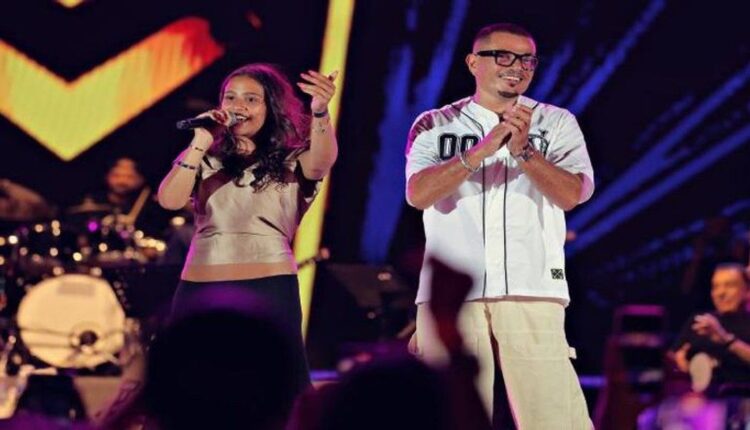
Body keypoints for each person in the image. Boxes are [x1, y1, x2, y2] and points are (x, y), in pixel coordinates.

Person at [404, 23, 594, 428]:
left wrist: (524, 151)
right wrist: (483, 149)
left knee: (554, 418)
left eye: (527, 60)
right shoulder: (434, 123)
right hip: (452, 294)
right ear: (474, 62)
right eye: (504, 56)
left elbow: (572, 194)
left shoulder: (557, 122)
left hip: (533, 287)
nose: (517, 66)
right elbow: (418, 194)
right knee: (449, 416)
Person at [157, 63, 338, 392]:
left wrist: (320, 112)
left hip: (267, 288)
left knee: (276, 388)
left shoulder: (293, 160)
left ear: (271, 108)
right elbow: (169, 200)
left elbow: (323, 161)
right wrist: (200, 142)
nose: (238, 106)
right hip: (200, 289)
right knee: (191, 389)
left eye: (251, 99)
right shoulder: (205, 159)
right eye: (231, 97)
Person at [671, 263, 750, 393]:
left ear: (747, 291)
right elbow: (674, 357)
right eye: (715, 287)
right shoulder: (699, 321)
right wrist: (679, 363)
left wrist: (726, 339)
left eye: (729, 285)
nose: (720, 293)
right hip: (699, 401)